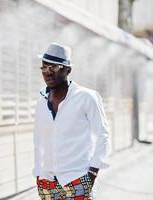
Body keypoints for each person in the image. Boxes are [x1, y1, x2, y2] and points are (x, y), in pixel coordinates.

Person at [33, 42, 109, 200]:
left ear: (68, 69)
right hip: (48, 183)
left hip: (77, 179)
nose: (48, 72)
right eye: (44, 67)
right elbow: (38, 142)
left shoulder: (87, 98)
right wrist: (39, 176)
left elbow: (102, 135)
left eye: (54, 67)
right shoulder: (41, 104)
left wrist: (92, 175)